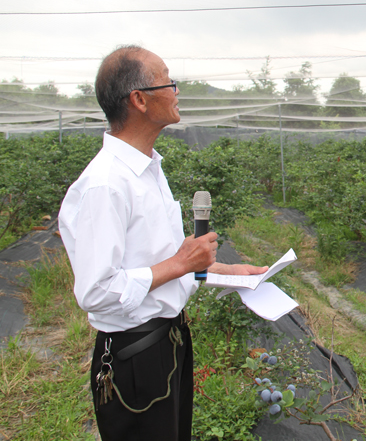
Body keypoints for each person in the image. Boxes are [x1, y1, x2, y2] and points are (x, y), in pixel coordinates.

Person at [58, 45, 266, 441]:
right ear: (139, 99)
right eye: (168, 81)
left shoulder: (149, 170)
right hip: (135, 356)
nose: (176, 91)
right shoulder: (106, 184)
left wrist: (227, 272)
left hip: (168, 342)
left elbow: (164, 264)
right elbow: (98, 291)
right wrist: (181, 264)